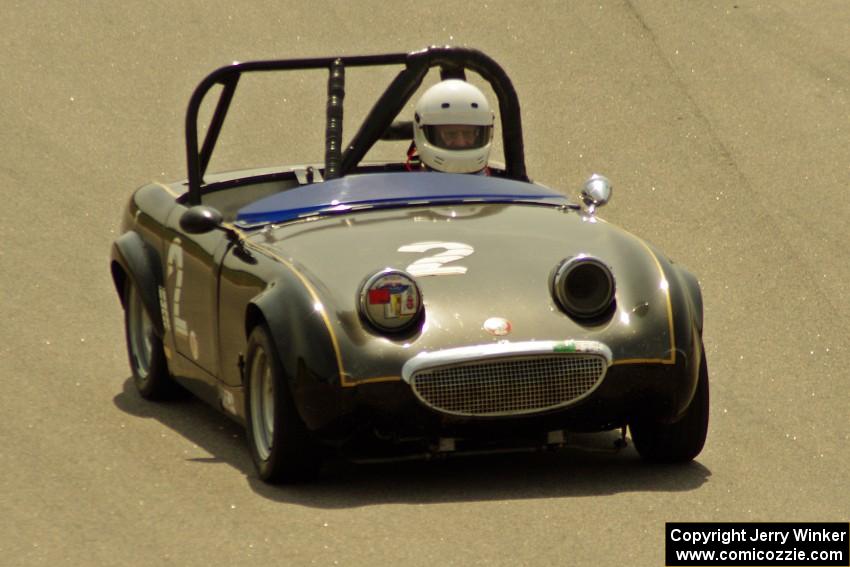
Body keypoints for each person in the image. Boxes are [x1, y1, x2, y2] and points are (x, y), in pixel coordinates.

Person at [408, 79, 494, 174]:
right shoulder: (400, 185)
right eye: (450, 134)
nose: (460, 143)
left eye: (468, 133)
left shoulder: (502, 184)